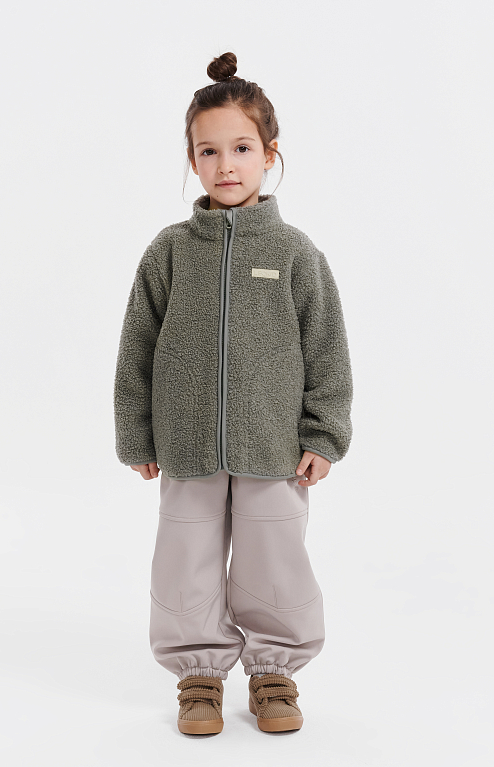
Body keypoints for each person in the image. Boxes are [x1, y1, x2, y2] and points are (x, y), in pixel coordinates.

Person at [113, 51, 353, 735]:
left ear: (269, 154)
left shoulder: (295, 253)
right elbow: (136, 348)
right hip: (185, 446)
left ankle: (274, 671)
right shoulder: (169, 251)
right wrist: (137, 434)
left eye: (242, 148)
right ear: (192, 160)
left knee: (273, 563)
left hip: (273, 447)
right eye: (209, 150)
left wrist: (323, 433)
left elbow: (327, 350)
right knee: (184, 562)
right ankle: (198, 673)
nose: (226, 165)